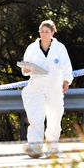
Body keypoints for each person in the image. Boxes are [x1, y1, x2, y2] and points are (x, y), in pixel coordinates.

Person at [20, 20, 73, 158]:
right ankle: (35, 148)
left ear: (52, 33)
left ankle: (52, 149)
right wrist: (26, 69)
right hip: (36, 87)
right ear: (39, 32)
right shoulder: (32, 48)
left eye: (47, 32)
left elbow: (67, 66)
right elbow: (25, 67)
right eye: (42, 32)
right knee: (36, 118)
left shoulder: (59, 48)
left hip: (54, 88)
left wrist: (66, 81)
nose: (44, 34)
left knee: (54, 120)